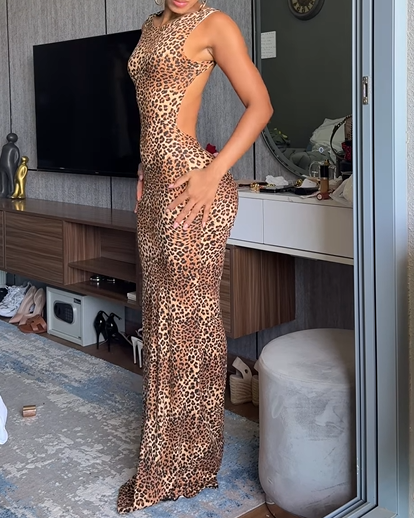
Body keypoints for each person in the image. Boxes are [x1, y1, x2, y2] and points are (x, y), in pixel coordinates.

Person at [117, 0, 272, 513]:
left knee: (189, 322)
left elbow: (260, 105)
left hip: (194, 187)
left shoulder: (214, 24)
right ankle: (171, 448)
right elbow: (152, 113)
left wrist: (212, 172)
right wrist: (144, 172)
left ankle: (188, 460)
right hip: (157, 188)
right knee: (162, 318)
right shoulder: (150, 26)